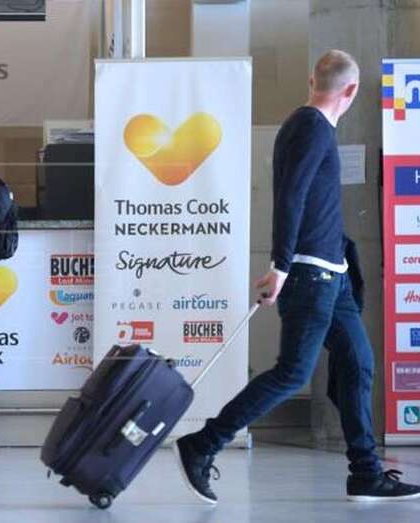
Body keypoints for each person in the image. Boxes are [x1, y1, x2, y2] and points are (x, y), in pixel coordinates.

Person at [174, 50, 420, 504]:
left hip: (334, 276)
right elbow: (291, 197)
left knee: (358, 363)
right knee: (292, 373)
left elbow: (312, 203)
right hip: (309, 275)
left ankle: (365, 472)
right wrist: (281, 266)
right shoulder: (309, 127)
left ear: (313, 79)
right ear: (350, 91)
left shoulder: (311, 126)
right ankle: (202, 443)